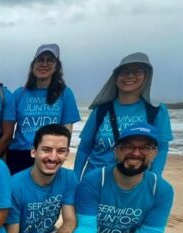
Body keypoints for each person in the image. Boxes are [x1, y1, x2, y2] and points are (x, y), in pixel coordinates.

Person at [0, 124, 77, 233]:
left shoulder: (69, 177)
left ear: (67, 154)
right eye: (46, 150)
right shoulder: (15, 186)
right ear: (34, 152)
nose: (53, 157)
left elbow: (70, 220)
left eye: (61, 151)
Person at [66, 122, 174, 233]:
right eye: (128, 146)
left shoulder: (161, 190)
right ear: (116, 151)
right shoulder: (93, 181)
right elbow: (87, 227)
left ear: (155, 153)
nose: (136, 153)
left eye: (145, 147)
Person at [74, 52, 173, 181]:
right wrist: (75, 179)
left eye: (137, 71)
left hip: (135, 183)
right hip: (94, 181)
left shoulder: (155, 110)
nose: (130, 76)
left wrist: (155, 178)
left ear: (146, 76)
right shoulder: (101, 110)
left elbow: (162, 148)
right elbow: (84, 148)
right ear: (116, 77)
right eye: (124, 72)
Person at [9, 44, 80, 174]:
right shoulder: (19, 94)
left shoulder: (64, 94)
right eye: (40, 60)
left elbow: (66, 132)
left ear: (57, 66)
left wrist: (60, 155)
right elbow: (7, 128)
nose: (44, 64)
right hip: (19, 155)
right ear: (33, 64)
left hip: (49, 156)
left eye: (50, 60)